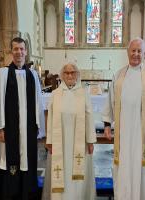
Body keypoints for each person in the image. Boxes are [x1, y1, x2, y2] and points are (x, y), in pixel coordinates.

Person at [102, 38, 145, 200]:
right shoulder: (119, 75)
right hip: (123, 132)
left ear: (144, 54)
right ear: (128, 52)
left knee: (142, 170)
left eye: (139, 51)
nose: (136, 54)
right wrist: (107, 124)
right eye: (133, 50)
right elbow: (110, 101)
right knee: (124, 167)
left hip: (144, 133)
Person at [0, 37, 45, 200]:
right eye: (16, 49)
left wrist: (38, 126)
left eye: (22, 49)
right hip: (8, 131)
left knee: (26, 160)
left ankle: (27, 193)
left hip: (27, 131)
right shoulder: (2, 74)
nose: (19, 52)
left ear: (26, 52)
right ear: (11, 52)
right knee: (9, 162)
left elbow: (38, 103)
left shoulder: (32, 75)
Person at [42, 63, 97, 200]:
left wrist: (90, 140)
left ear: (77, 75)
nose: (70, 75)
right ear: (62, 75)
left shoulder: (84, 93)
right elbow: (50, 117)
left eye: (73, 72)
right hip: (60, 141)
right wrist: (49, 141)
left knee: (78, 172)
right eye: (66, 73)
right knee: (61, 170)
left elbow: (89, 116)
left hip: (80, 143)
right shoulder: (55, 94)